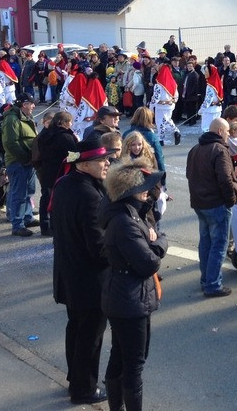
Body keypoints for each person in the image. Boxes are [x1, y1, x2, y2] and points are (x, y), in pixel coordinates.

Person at [100, 160, 168, 411]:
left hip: (122, 294)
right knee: (133, 364)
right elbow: (149, 263)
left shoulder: (125, 214)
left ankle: (116, 407)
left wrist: (153, 239)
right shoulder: (126, 221)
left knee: (119, 355)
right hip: (130, 298)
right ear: (129, 191)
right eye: (143, 187)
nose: (148, 192)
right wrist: (160, 242)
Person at [51, 138, 112, 405]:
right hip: (88, 280)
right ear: (84, 164)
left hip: (69, 272)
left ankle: (74, 378)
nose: (107, 163)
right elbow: (98, 248)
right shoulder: (88, 194)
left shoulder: (65, 183)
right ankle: (84, 388)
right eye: (102, 160)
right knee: (90, 336)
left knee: (76, 329)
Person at [185, 117, 237, 297]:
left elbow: (189, 175)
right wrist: (231, 199)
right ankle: (213, 284)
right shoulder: (219, 150)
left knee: (206, 243)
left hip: (200, 203)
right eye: (226, 132)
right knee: (218, 245)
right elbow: (225, 179)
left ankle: (206, 280)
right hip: (216, 204)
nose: (228, 136)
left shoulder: (195, 149)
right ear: (219, 132)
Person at [35, 111, 78, 236]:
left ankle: (45, 225)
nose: (71, 124)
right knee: (58, 201)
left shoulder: (45, 134)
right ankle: (55, 226)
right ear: (63, 123)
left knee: (46, 199)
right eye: (70, 122)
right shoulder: (65, 137)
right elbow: (74, 155)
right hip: (61, 172)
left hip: (47, 170)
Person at [2, 93, 39, 237]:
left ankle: (27, 217)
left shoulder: (24, 117)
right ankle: (17, 224)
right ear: (24, 104)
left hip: (27, 162)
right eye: (31, 103)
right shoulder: (12, 119)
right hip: (18, 162)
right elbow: (11, 143)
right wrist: (25, 158)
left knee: (28, 192)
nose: (34, 106)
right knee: (19, 194)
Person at [151, 63, 181, 146]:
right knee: (167, 120)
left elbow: (155, 98)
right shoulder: (173, 83)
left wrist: (151, 106)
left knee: (160, 122)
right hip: (170, 105)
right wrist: (171, 101)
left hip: (160, 106)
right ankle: (173, 133)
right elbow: (176, 96)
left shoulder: (158, 84)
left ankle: (163, 138)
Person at [199, 62, 223, 132]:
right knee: (216, 129)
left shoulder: (210, 85)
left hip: (210, 111)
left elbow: (208, 100)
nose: (204, 74)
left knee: (207, 129)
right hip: (217, 109)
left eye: (206, 72)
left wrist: (202, 109)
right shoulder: (217, 83)